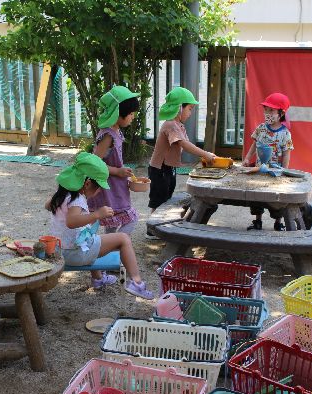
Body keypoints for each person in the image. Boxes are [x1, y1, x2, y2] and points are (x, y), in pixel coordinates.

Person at [46, 152, 154, 299]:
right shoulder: (77, 199)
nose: (99, 192)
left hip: (59, 250)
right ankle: (137, 282)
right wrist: (96, 214)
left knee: (92, 237)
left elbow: (48, 206)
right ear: (87, 183)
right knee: (123, 239)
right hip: (75, 254)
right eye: (98, 188)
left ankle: (98, 279)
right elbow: (71, 222)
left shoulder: (61, 195)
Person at [146, 87, 217, 239]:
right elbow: (184, 144)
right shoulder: (170, 125)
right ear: (179, 108)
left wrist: (202, 156)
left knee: (167, 196)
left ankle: (160, 225)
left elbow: (186, 144)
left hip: (168, 167)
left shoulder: (179, 125)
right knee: (159, 199)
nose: (190, 113)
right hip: (159, 168)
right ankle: (152, 230)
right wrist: (205, 154)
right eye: (189, 109)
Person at [88, 85, 140, 235]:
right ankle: (118, 244)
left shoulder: (116, 131)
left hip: (116, 185)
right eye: (130, 113)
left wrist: (123, 173)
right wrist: (117, 171)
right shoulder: (108, 136)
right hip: (108, 186)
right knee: (131, 218)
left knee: (112, 221)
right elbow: (94, 163)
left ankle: (110, 246)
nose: (133, 117)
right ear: (118, 112)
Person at [242, 92, 294, 231]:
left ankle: (278, 222)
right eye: (266, 110)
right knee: (257, 197)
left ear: (281, 113)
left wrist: (284, 170)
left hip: (275, 173)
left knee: (277, 199)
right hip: (259, 170)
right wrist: (247, 158)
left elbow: (287, 153)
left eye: (271, 110)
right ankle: (257, 221)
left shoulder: (285, 133)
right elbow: (254, 144)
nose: (267, 113)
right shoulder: (261, 128)